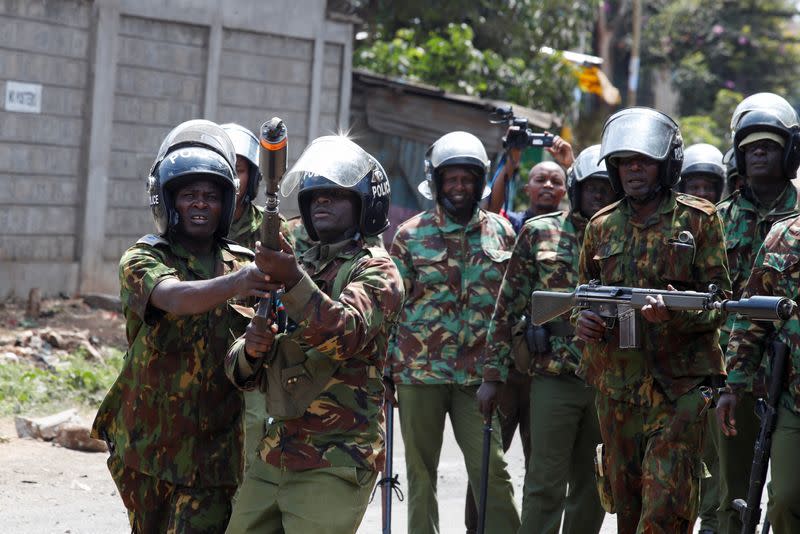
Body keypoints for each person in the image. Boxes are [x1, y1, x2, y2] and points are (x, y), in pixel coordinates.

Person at [90, 119, 271, 532]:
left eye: (211, 195)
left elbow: (247, 362)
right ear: (168, 202)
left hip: (214, 454)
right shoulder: (142, 259)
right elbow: (173, 298)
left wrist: (257, 346)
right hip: (146, 445)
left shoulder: (244, 264)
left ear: (227, 203)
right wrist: (239, 282)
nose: (201, 204)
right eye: (189, 195)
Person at [223, 135, 404, 534]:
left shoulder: (376, 270)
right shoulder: (297, 263)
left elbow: (345, 334)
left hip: (336, 459)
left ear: (364, 205)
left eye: (336, 195)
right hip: (275, 452)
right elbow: (239, 370)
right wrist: (251, 350)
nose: (322, 201)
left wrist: (292, 280)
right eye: (315, 195)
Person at [574, 107, 730, 534]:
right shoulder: (600, 226)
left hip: (677, 391)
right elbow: (581, 296)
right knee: (626, 511)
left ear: (666, 165)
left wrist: (673, 317)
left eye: (643, 161)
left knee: (665, 514)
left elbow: (721, 304)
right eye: (625, 162)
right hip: (617, 390)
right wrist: (583, 323)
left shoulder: (699, 220)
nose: (633, 171)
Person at [478, 144, 618, 534]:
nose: (600, 196)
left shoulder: (629, 237)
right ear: (576, 188)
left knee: (594, 483)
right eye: (593, 188)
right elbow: (506, 308)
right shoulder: (540, 231)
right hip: (555, 374)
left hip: (609, 379)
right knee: (544, 483)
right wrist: (492, 377)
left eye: (608, 189)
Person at [388, 131, 521, 534]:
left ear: (480, 182)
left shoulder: (502, 233)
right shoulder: (410, 235)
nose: (459, 187)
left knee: (492, 470)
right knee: (421, 474)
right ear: (438, 182)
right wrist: (385, 371)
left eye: (467, 179)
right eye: (452, 180)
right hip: (419, 374)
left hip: (478, 378)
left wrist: (498, 371)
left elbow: (511, 308)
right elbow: (390, 307)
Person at [714, 92, 800, 534]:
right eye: (750, 148)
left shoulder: (797, 221)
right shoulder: (717, 219)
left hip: (790, 380)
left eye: (769, 146)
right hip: (737, 372)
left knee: (785, 496)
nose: (759, 155)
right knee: (732, 494)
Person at [486, 133, 573, 233]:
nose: (548, 185)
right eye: (540, 179)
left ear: (564, 192)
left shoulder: (570, 228)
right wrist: (512, 159)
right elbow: (492, 210)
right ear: (527, 189)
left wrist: (571, 165)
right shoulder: (510, 223)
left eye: (556, 181)